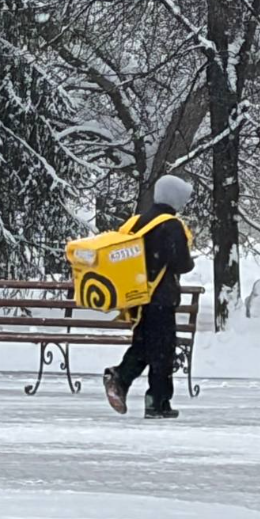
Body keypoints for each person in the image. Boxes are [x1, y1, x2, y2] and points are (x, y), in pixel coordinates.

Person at [103, 175, 195, 419]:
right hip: (161, 298)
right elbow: (182, 264)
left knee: (145, 345)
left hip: (139, 297)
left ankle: (121, 379)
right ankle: (157, 401)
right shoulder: (171, 225)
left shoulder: (137, 222)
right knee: (163, 350)